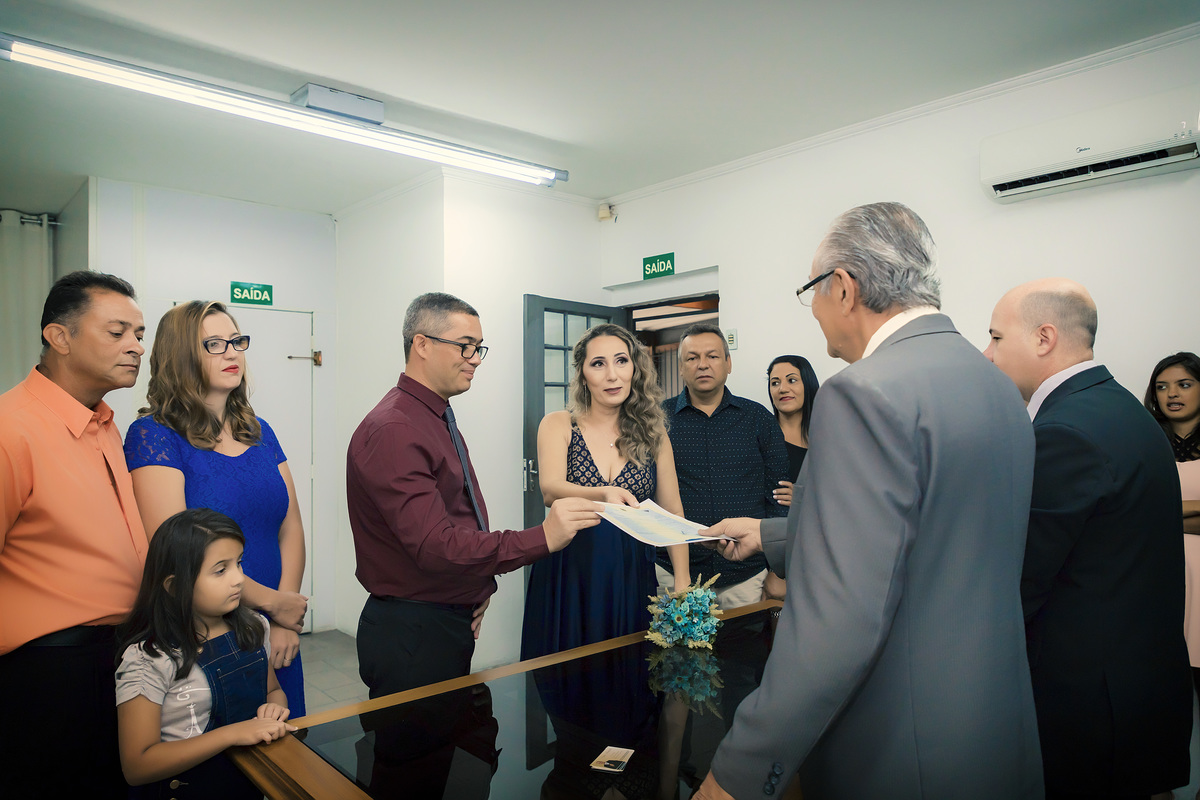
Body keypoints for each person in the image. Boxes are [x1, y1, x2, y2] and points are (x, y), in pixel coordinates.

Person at [698, 202, 1042, 799]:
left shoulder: (862, 393)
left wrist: (741, 771)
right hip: (989, 724)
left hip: (899, 741)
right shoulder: (995, 382)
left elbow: (840, 619)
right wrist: (770, 531)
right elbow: (933, 529)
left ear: (844, 287)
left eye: (812, 290)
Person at [984, 278, 1190, 799]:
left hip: (1089, 698)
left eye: (996, 338)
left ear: (1044, 337)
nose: (987, 355)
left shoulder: (1066, 431)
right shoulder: (1122, 409)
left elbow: (1023, 575)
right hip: (1136, 680)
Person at [347, 292, 601, 697]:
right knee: (415, 754)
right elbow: (434, 545)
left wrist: (476, 587)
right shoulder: (397, 429)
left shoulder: (432, 413)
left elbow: (455, 517)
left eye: (478, 348)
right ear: (422, 345)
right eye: (465, 346)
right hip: (413, 631)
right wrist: (543, 536)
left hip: (444, 617)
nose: (476, 358)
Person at [0, 270, 149, 799]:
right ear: (58, 337)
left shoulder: (105, 422)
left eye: (139, 334)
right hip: (49, 672)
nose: (136, 347)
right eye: (117, 333)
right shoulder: (12, 428)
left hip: (119, 654)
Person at [124, 301, 309, 715]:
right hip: (206, 634)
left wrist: (283, 615)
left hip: (278, 631)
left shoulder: (260, 432)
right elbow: (178, 548)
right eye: (214, 344)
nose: (232, 353)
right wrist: (271, 606)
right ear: (181, 356)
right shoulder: (153, 436)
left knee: (289, 756)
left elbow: (290, 526)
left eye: (237, 341)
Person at [521, 323, 690, 659]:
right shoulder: (559, 423)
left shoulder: (654, 436)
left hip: (630, 574)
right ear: (583, 375)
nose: (612, 375)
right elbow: (550, 490)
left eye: (621, 361)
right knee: (567, 679)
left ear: (635, 369)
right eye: (598, 364)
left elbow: (673, 513)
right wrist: (603, 493)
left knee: (632, 679)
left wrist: (682, 580)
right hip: (570, 572)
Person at [116, 508, 295, 798]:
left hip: (246, 785)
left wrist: (274, 707)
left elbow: (273, 690)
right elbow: (137, 766)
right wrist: (232, 734)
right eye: (221, 570)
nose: (238, 579)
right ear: (175, 586)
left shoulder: (254, 628)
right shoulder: (149, 660)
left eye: (239, 563)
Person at [657, 323, 789, 609]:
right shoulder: (658, 420)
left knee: (747, 651)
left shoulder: (758, 418)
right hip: (674, 573)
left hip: (746, 575)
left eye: (713, 356)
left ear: (728, 363)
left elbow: (779, 498)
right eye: (692, 358)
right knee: (670, 654)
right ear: (681, 367)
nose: (702, 365)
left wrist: (780, 570)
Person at [1145, 351, 1200, 800]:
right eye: (1163, 387)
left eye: (1183, 384)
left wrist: (1161, 511)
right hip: (1159, 580)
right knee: (1157, 705)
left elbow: (1151, 508)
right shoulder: (1148, 440)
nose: (1172, 395)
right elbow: (1136, 510)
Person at [765, 354, 820, 507]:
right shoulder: (761, 436)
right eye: (775, 383)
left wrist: (805, 498)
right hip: (771, 526)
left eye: (792, 380)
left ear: (808, 384)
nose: (782, 389)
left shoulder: (828, 435)